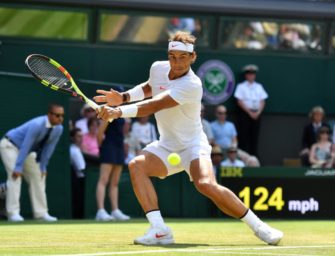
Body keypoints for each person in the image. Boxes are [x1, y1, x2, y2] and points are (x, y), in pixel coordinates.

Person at [94, 31, 283, 245]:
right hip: (167, 145)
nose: (177, 63)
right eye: (172, 57)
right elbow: (149, 87)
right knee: (136, 166)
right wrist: (124, 97)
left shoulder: (193, 85)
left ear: (193, 57)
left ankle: (260, 227)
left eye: (183, 57)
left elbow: (155, 104)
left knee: (205, 184)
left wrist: (118, 111)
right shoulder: (158, 68)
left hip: (193, 145)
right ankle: (159, 230)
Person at [0, 103, 64, 222]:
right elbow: (26, 145)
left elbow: (49, 149)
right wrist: (18, 167)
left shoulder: (59, 128)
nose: (60, 118)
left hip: (26, 151)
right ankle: (13, 214)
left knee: (38, 176)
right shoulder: (37, 124)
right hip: (10, 145)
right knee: (15, 177)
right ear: (49, 115)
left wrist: (43, 167)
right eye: (57, 115)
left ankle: (41, 213)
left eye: (62, 116)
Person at [95, 119, 130, 221]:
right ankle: (100, 211)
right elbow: (100, 132)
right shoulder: (108, 111)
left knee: (115, 182)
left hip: (119, 148)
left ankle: (115, 210)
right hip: (108, 147)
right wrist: (102, 148)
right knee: (103, 180)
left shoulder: (120, 111)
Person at [234, 64, 268, 157]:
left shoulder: (259, 86)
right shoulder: (241, 86)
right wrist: (249, 112)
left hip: (257, 114)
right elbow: (239, 101)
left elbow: (262, 101)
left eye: (253, 74)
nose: (251, 75)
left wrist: (258, 112)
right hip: (245, 114)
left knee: (254, 137)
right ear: (246, 75)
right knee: (243, 136)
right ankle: (244, 158)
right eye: (249, 73)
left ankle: (254, 158)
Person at [70, 127, 86, 219]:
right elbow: (82, 169)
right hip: (79, 182)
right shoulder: (73, 151)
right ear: (72, 138)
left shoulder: (77, 149)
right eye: (78, 136)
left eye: (82, 136)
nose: (81, 138)